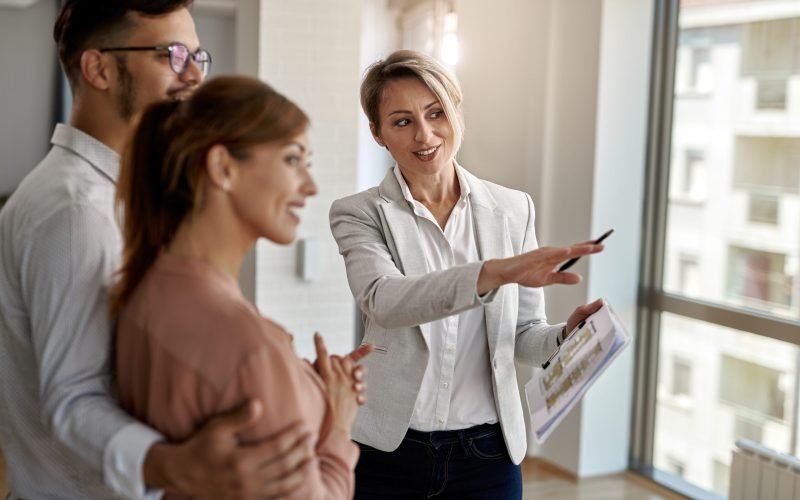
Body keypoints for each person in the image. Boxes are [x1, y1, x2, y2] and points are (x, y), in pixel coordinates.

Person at [0, 1, 335, 498]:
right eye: (172, 54)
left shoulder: (134, 197)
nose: (194, 75)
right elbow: (73, 400)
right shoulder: (74, 211)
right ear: (100, 68)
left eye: (198, 56)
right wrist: (175, 464)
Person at [329, 49, 606, 499]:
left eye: (436, 112)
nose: (425, 134)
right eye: (402, 121)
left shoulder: (514, 209)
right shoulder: (359, 214)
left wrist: (564, 337)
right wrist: (495, 273)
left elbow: (522, 334)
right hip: (388, 451)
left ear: (456, 110)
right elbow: (385, 300)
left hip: (487, 455)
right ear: (377, 133)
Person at [112, 75, 363, 500]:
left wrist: (301, 379)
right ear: (223, 168)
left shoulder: (145, 292)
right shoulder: (252, 349)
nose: (310, 186)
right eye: (292, 160)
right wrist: (338, 424)